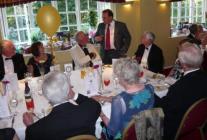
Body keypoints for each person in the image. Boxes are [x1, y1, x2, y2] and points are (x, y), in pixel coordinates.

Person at [23, 72, 101, 140]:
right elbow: (93, 103)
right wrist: (74, 95)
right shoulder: (90, 109)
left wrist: (30, 126)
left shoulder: (35, 130)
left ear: (46, 96)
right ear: (69, 90)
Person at [92, 58, 154, 139]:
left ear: (122, 79)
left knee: (101, 129)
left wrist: (101, 114)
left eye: (117, 76)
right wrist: (103, 98)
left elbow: (112, 131)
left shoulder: (119, 100)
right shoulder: (150, 88)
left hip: (126, 136)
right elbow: (132, 98)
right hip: (145, 131)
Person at [155, 43, 207, 140]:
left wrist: (150, 94)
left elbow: (162, 108)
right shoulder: (204, 77)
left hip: (174, 128)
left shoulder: (178, 88)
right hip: (198, 121)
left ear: (183, 64)